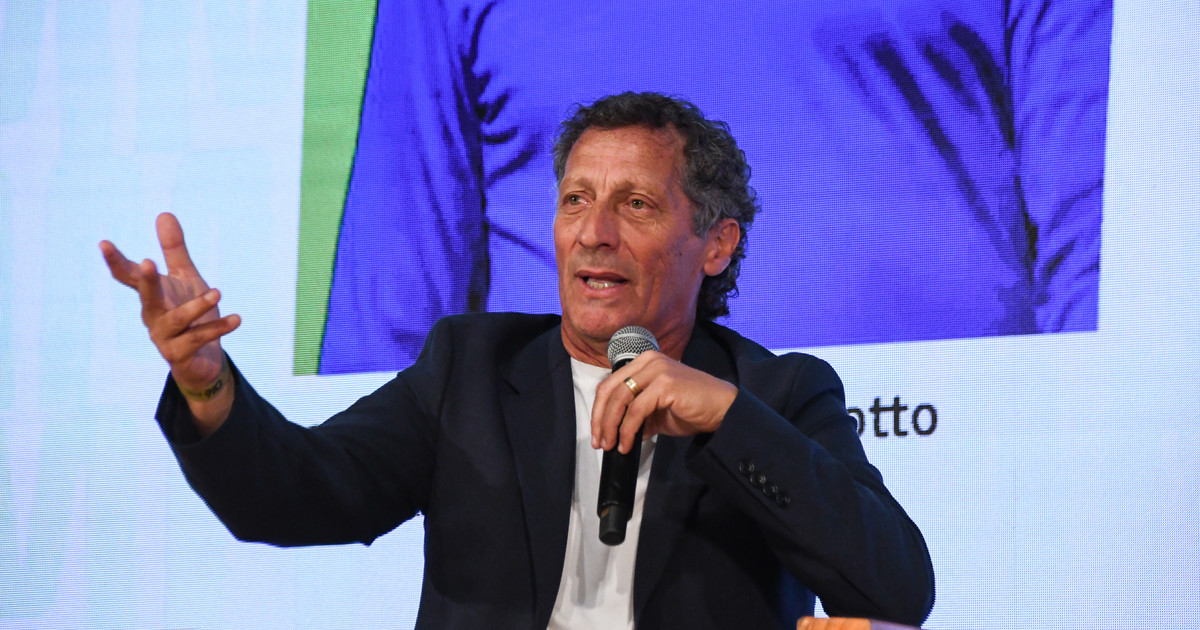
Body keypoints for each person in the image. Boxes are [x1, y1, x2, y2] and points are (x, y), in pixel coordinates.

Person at [101, 93, 934, 629]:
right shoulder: (470, 367)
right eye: (576, 200)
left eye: (635, 204)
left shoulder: (776, 395)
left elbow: (896, 589)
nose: (594, 233)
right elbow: (296, 495)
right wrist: (207, 384)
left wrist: (723, 417)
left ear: (715, 244)